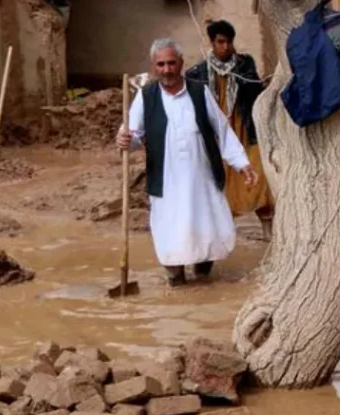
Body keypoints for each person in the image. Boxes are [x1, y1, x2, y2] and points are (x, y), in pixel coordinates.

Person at [116, 39, 257, 286]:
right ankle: (176, 279)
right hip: (166, 182)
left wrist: (241, 163)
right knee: (170, 234)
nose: (167, 70)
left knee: (206, 232)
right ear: (153, 67)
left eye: (171, 63)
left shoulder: (199, 92)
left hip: (201, 179)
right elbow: (133, 136)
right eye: (161, 64)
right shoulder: (145, 97)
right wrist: (125, 139)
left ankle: (204, 278)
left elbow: (222, 130)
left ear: (181, 63)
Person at [185, 20, 276, 240]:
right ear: (212, 43)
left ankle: (267, 230)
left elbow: (255, 93)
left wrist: (242, 76)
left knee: (258, 176)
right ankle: (222, 234)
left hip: (244, 130)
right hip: (215, 135)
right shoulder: (197, 72)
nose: (225, 47)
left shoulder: (244, 65)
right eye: (221, 42)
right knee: (218, 182)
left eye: (229, 42)